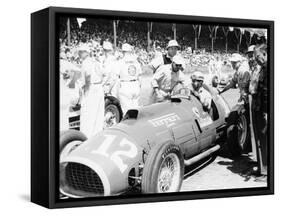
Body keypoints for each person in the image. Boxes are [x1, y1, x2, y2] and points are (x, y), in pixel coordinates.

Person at [79, 44, 105, 138]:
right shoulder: (96, 61)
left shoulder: (86, 62)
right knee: (98, 114)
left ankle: (86, 137)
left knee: (88, 115)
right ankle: (96, 136)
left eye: (81, 52)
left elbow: (88, 76)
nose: (79, 54)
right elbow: (103, 74)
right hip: (99, 86)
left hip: (91, 87)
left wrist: (86, 89)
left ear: (85, 52)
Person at [251, 43, 268, 178]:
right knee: (261, 139)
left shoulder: (268, 68)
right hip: (260, 107)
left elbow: (268, 92)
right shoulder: (263, 68)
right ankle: (263, 169)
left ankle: (267, 171)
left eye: (257, 56)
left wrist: (267, 111)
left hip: (265, 109)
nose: (256, 59)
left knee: (266, 139)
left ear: (265, 54)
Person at [115, 43, 142, 115]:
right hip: (135, 84)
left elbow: (116, 77)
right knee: (135, 110)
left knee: (126, 111)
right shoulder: (136, 62)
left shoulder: (120, 62)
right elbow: (140, 77)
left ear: (123, 52)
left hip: (125, 85)